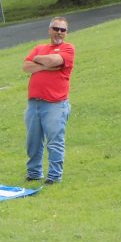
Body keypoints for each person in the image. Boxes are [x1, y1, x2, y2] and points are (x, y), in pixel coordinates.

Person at [23, 16, 74, 184]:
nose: (59, 32)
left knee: (54, 142)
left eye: (62, 30)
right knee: (33, 141)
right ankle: (34, 173)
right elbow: (26, 66)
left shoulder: (68, 48)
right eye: (56, 28)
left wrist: (39, 59)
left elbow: (56, 60)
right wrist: (46, 65)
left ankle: (54, 176)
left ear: (66, 32)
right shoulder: (40, 47)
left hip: (55, 105)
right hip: (34, 103)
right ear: (49, 30)